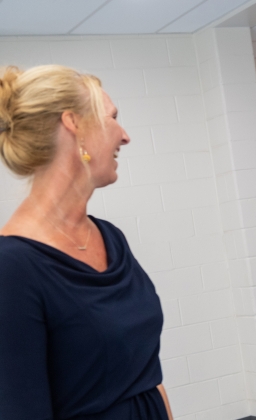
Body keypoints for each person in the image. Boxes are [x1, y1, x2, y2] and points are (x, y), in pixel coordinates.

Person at [0, 65, 173, 420]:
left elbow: (147, 373)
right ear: (73, 124)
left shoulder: (111, 238)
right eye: (112, 118)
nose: (125, 136)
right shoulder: (12, 267)